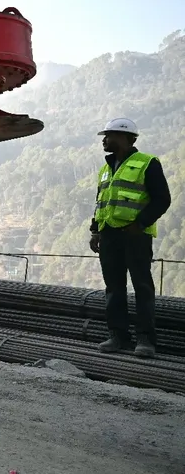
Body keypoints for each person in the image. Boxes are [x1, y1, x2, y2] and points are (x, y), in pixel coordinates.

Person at [89, 118, 171, 358]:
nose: (104, 140)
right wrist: (95, 231)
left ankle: (146, 339)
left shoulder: (147, 163)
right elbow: (101, 202)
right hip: (109, 235)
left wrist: (140, 224)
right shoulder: (106, 168)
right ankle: (118, 335)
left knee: (142, 287)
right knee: (114, 287)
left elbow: (162, 200)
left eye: (109, 136)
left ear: (125, 138)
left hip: (135, 236)